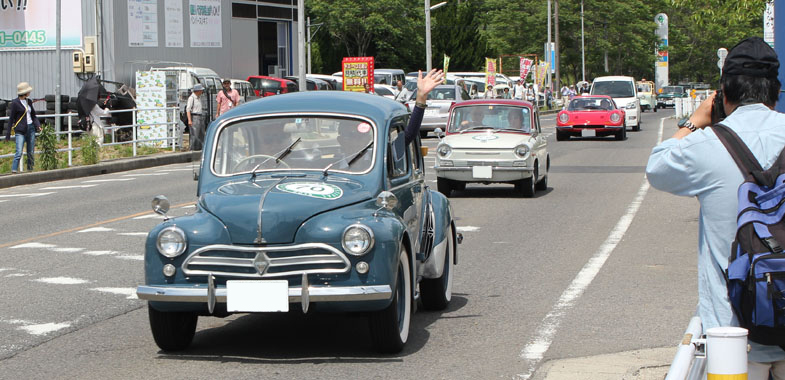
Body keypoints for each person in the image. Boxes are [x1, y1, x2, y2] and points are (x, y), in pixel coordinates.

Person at [646, 37, 785, 380]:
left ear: (723, 93)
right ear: (776, 91)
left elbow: (657, 167)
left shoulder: (708, 144)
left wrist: (694, 121)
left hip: (732, 339)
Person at [334, 69, 444, 169]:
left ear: (367, 139)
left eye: (360, 136)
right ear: (341, 140)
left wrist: (421, 97)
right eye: (349, 136)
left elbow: (409, 134)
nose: (355, 141)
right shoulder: (328, 164)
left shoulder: (383, 158)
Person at [9, 82, 41, 173]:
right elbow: (11, 118)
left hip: (30, 128)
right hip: (20, 129)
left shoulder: (29, 101)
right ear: (25, 92)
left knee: (30, 151)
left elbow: (33, 115)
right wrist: (8, 134)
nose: (29, 92)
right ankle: (14, 169)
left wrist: (38, 125)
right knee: (19, 151)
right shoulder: (15, 103)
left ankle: (30, 169)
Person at [186, 83, 205, 151]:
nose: (202, 92)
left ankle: (200, 148)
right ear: (198, 90)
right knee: (194, 134)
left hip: (200, 116)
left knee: (201, 134)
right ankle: (192, 149)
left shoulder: (199, 98)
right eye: (201, 90)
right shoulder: (191, 98)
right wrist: (189, 120)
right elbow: (188, 109)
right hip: (194, 116)